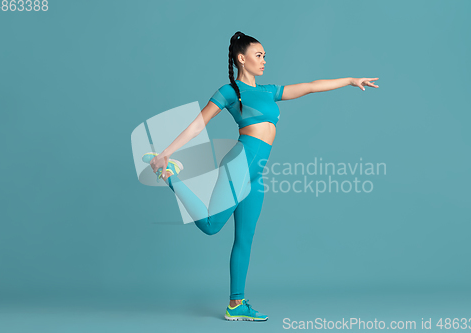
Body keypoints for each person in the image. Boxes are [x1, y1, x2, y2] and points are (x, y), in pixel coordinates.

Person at [144, 31, 379, 321]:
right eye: (259, 55)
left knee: (244, 238)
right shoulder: (231, 92)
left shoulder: (268, 91)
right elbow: (197, 125)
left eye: (265, 56)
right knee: (210, 225)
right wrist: (165, 152)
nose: (264, 60)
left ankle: (236, 305)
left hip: (257, 174)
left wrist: (350, 81)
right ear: (242, 58)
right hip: (240, 164)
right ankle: (168, 174)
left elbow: (310, 86)